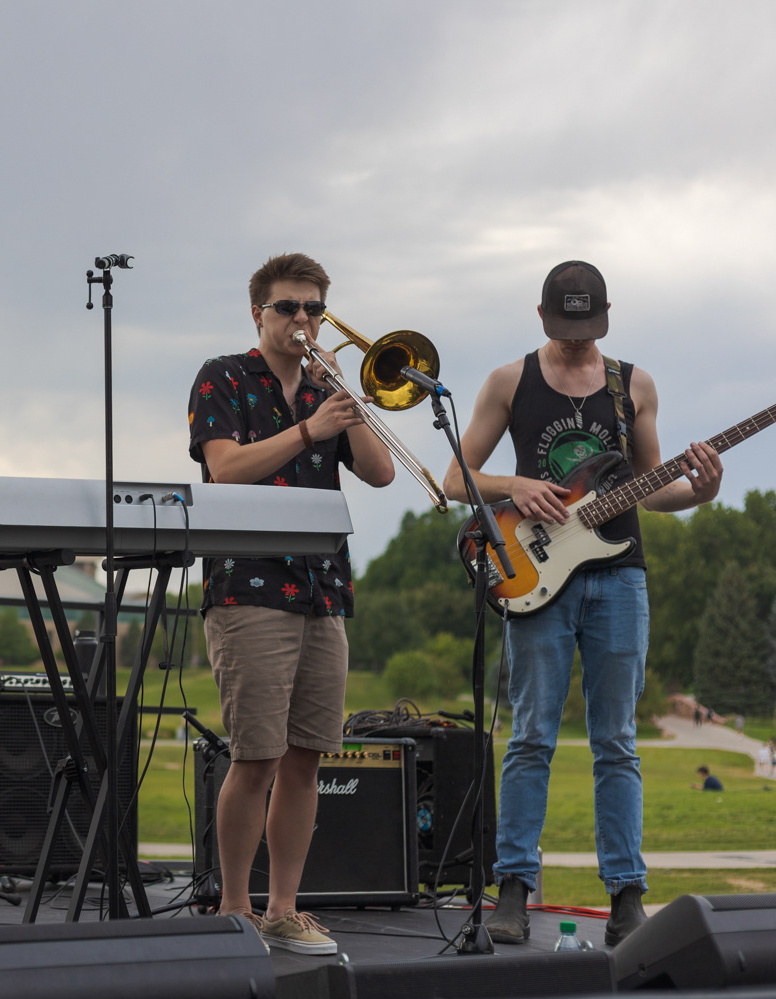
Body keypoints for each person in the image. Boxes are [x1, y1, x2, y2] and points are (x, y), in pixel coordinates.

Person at [443, 260, 722, 948]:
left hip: (618, 573)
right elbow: (455, 477)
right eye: (564, 329)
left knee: (616, 742)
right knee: (531, 735)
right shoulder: (510, 381)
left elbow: (652, 488)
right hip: (536, 571)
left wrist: (702, 490)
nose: (575, 342)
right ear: (541, 317)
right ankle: (513, 887)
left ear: (604, 317)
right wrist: (517, 485)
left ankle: (626, 895)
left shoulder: (635, 384)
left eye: (586, 328)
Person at [187, 252, 394, 954]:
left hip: (322, 587)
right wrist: (308, 429)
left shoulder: (323, 389)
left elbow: (379, 470)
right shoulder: (222, 375)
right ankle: (234, 905)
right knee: (256, 755)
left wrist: (342, 398)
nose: (301, 320)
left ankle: (283, 906)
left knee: (308, 755)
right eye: (286, 307)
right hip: (247, 587)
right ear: (257, 313)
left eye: (312, 308)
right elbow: (223, 467)